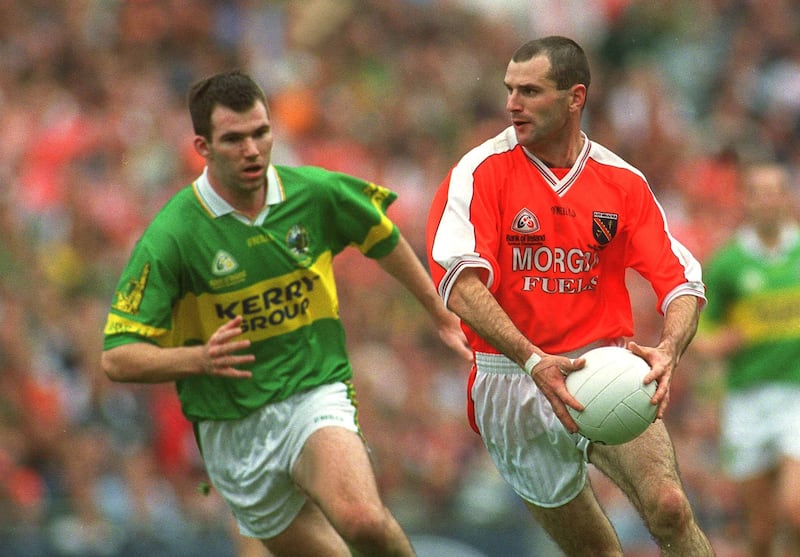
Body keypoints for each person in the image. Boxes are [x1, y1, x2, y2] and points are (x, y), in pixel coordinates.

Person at [101, 69, 471, 557]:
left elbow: (380, 233)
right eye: (234, 139)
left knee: (362, 520)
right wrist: (199, 360)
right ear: (203, 147)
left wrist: (439, 312)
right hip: (232, 428)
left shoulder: (312, 192)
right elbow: (117, 357)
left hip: (312, 391)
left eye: (261, 133)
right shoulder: (173, 235)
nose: (252, 150)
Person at [426, 36, 715, 555]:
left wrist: (670, 348)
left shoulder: (622, 182)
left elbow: (682, 282)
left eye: (530, 91)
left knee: (670, 507)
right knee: (597, 551)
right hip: (512, 383)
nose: (512, 103)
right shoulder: (478, 173)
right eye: (509, 89)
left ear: (574, 97)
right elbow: (461, 287)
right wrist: (534, 360)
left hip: (604, 366)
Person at [694, 162, 800, 556]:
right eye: (759, 191)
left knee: (795, 510)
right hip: (747, 400)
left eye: (776, 191)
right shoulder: (728, 263)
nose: (768, 200)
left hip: (795, 396)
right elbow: (698, 333)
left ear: (786, 198)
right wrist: (720, 343)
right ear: (747, 201)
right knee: (760, 533)